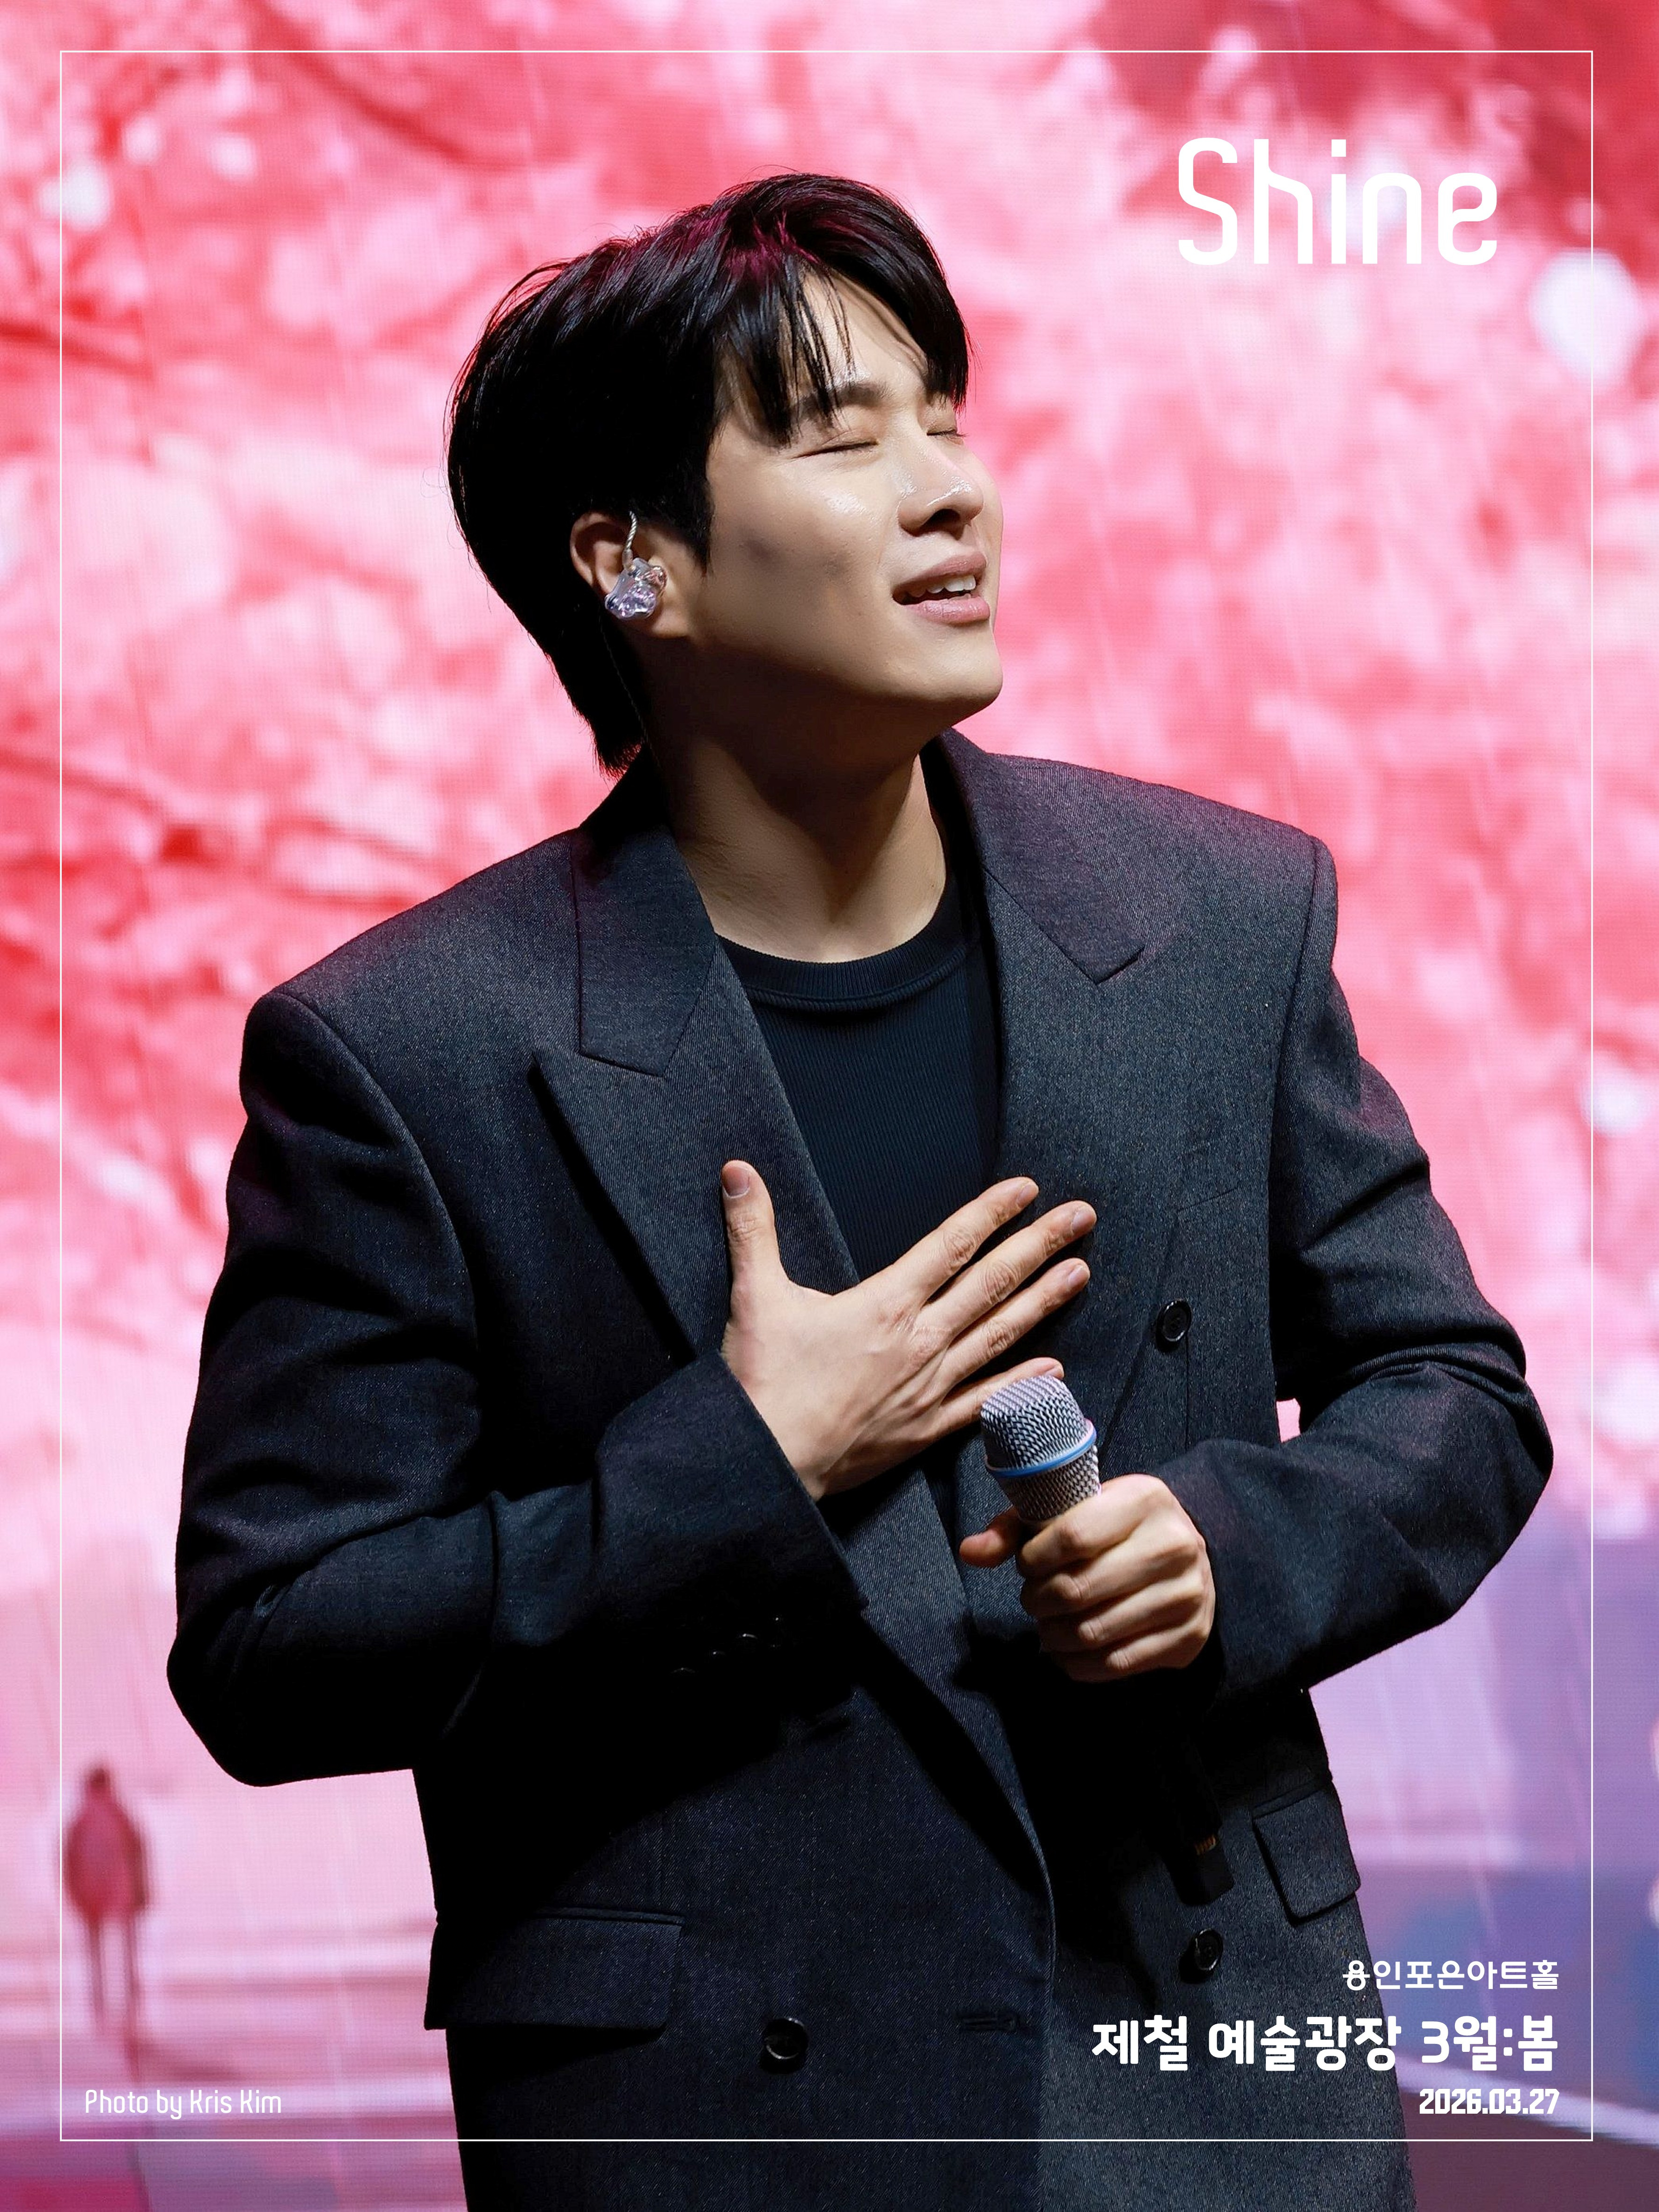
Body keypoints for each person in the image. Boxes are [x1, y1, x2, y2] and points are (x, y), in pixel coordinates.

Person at [167, 173, 1552, 2212]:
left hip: (1200, 2073)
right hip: (729, 2118)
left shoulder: (1221, 917)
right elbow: (277, 1641)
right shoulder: (407, 1049)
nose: (948, 490)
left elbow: (1452, 1391)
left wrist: (1229, 1544)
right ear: (630, 564)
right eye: (839, 437)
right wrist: (744, 1461)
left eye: (944, 417)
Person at [64, 1764, 149, 2037]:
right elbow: (138, 1854)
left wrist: (74, 1894)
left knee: (100, 1952)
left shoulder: (83, 1820)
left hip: (96, 1893)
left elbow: (69, 1862)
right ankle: (123, 2001)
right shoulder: (118, 1815)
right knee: (124, 1951)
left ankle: (104, 2003)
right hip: (117, 1892)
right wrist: (141, 1891)